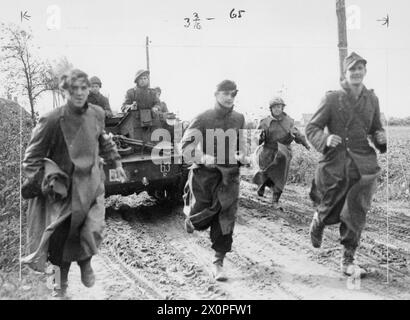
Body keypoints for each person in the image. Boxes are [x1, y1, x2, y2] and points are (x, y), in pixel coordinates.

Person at [21, 69, 127, 296]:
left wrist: (116, 163)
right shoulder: (51, 120)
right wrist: (45, 183)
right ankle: (58, 289)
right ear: (65, 91)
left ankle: (86, 262)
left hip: (89, 184)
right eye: (74, 89)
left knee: (92, 228)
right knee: (57, 245)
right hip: (62, 191)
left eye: (83, 88)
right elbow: (31, 158)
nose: (79, 93)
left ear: (89, 90)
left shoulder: (97, 114)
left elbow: (104, 141)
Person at [306, 52, 387, 277]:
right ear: (345, 72)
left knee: (356, 210)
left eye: (360, 68)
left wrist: (380, 137)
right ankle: (319, 220)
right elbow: (311, 128)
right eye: (352, 69)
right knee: (330, 205)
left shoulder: (372, 99)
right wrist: (325, 140)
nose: (356, 73)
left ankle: (348, 260)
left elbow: (375, 127)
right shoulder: (332, 99)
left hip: (363, 163)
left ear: (365, 72)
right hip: (336, 162)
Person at [181, 80, 248, 281]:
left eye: (233, 94)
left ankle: (218, 263)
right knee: (201, 216)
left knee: (226, 218)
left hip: (229, 177)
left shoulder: (239, 118)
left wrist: (243, 156)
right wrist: (203, 158)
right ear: (216, 94)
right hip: (205, 177)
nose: (229, 98)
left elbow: (243, 144)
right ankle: (192, 218)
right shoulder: (202, 118)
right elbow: (184, 148)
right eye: (225, 93)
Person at [252, 97, 310, 209]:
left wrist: (305, 144)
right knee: (265, 172)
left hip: (283, 152)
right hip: (267, 151)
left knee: (280, 177)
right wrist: (260, 137)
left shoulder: (289, 121)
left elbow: (297, 134)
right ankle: (261, 185)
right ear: (271, 109)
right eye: (274, 107)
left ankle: (275, 200)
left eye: (279, 107)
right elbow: (256, 137)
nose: (277, 109)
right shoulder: (265, 122)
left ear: (282, 108)